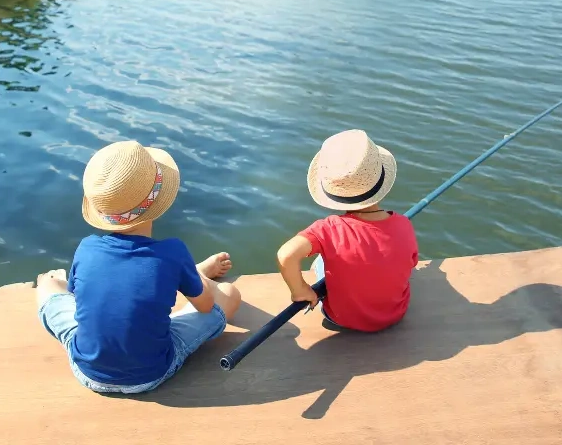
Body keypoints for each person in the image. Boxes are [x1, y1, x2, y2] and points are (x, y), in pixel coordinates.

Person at [35, 140, 241, 394]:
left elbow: (78, 299)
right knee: (230, 295)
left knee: (49, 283)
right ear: (157, 203)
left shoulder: (86, 248)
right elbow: (206, 306)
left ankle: (190, 276)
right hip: (151, 373)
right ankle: (194, 275)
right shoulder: (173, 252)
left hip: (86, 370)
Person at [276, 129, 418, 332]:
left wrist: (301, 291)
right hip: (395, 314)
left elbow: (286, 255)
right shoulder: (404, 224)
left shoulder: (327, 229)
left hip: (340, 319)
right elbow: (410, 263)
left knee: (320, 260)